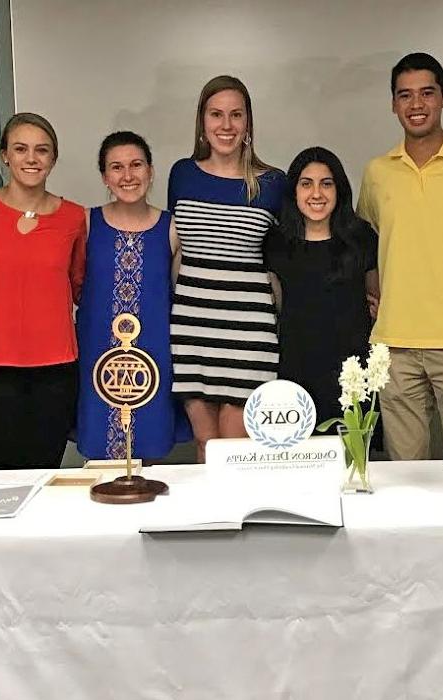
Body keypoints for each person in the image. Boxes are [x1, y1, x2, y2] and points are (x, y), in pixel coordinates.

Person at [357, 52, 443, 460]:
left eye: (427, 93)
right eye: (405, 95)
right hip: (394, 345)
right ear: (393, 104)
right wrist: (376, 295)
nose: (416, 105)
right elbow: (367, 244)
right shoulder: (378, 172)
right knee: (407, 476)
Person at [0, 113, 86, 469]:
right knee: (2, 476)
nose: (31, 158)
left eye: (42, 150)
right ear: (5, 156)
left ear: (53, 159)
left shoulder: (74, 217)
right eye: (20, 149)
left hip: (56, 370)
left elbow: (80, 286)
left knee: (46, 477)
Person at [168, 75, 285, 461]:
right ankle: (209, 523)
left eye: (236, 115)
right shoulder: (182, 174)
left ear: (248, 122)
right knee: (204, 444)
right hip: (192, 326)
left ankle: (238, 523)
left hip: (248, 333)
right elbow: (176, 252)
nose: (226, 125)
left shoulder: (272, 183)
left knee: (234, 449)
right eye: (216, 114)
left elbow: (284, 261)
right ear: (202, 121)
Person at [77, 131, 189, 460]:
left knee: (150, 458)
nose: (128, 176)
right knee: (100, 459)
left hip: (155, 360)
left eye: (136, 165)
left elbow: (179, 295)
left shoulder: (172, 228)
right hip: (97, 357)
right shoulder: (85, 222)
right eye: (117, 167)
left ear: (151, 171)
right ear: (104, 176)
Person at [265, 146, 379, 421]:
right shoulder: (277, 243)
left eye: (326, 184)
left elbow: (375, 298)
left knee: (355, 460)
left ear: (339, 189)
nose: (317, 193)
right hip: (297, 371)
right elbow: (277, 306)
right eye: (306, 184)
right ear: (294, 191)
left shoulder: (360, 237)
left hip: (352, 373)